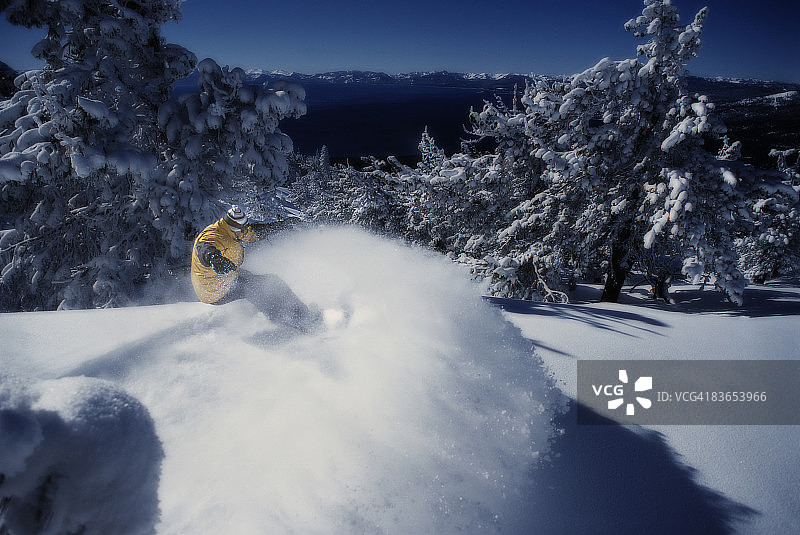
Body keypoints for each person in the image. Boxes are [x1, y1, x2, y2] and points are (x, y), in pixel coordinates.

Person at [191, 205, 318, 331]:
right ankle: (286, 320)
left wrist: (283, 224)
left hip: (224, 278)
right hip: (214, 290)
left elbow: (255, 233)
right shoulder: (213, 235)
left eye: (244, 229)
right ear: (232, 227)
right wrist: (215, 259)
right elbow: (204, 248)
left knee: (265, 280)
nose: (243, 232)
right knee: (255, 288)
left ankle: (299, 312)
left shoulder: (235, 232)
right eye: (241, 229)